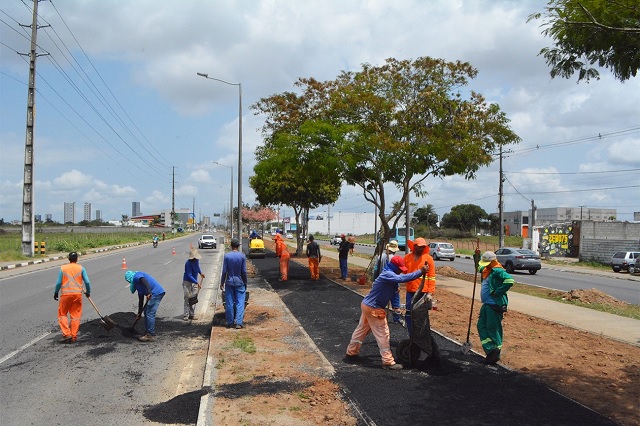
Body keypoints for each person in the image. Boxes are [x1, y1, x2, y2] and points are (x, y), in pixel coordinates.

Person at [345, 256, 429, 370]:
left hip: (367, 305)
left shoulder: (392, 278)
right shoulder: (387, 274)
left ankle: (351, 352)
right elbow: (403, 278)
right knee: (383, 333)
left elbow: (395, 292)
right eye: (399, 268)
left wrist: (396, 308)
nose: (400, 270)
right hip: (374, 308)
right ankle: (388, 361)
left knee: (361, 330)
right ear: (394, 267)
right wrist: (420, 271)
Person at [477, 251, 514, 365]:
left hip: (494, 304)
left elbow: (510, 280)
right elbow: (478, 267)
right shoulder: (487, 270)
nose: (484, 265)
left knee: (493, 329)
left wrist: (497, 291)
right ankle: (490, 349)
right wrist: (476, 255)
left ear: (493, 261)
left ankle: (495, 354)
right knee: (481, 326)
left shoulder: (497, 270)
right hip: (487, 305)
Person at [54, 252, 91, 343]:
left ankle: (67, 334)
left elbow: (58, 283)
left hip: (66, 295)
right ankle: (74, 336)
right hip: (77, 295)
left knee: (62, 314)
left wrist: (55, 292)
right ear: (77, 259)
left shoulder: (63, 268)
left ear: (68, 259)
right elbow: (87, 282)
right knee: (75, 316)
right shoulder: (81, 268)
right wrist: (88, 292)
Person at [403, 237, 436, 335]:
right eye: (419, 247)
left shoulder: (428, 259)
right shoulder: (407, 258)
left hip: (423, 292)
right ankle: (411, 334)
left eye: (423, 247)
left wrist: (430, 292)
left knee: (421, 315)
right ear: (414, 246)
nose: (421, 249)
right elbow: (402, 272)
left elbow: (432, 277)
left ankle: (421, 335)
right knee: (409, 313)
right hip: (410, 290)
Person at [124, 270, 166, 342]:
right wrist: (139, 313)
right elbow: (141, 300)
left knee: (149, 313)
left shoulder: (136, 276)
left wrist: (149, 292)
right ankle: (148, 331)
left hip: (156, 293)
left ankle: (150, 334)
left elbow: (144, 280)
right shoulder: (138, 285)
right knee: (146, 312)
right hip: (155, 293)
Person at [373, 240, 403, 324]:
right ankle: (396, 319)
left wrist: (374, 281)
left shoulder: (380, 257)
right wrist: (398, 285)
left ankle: (378, 317)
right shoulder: (394, 259)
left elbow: (375, 270)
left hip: (381, 284)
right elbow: (396, 274)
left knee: (380, 302)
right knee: (396, 302)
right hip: (392, 283)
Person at [220, 238, 248, 329]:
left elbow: (224, 271)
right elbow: (244, 272)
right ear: (238, 246)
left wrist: (222, 282)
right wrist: (245, 282)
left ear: (231, 246)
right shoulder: (242, 256)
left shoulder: (227, 256)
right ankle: (239, 323)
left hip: (229, 282)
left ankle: (230, 322)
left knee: (229, 302)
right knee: (240, 303)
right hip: (240, 282)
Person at [183, 245, 205, 321]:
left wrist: (200, 273)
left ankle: (191, 314)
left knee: (193, 298)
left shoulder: (197, 261)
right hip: (187, 281)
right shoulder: (188, 263)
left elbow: (197, 267)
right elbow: (189, 275)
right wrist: (197, 282)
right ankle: (186, 314)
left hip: (194, 281)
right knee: (187, 298)